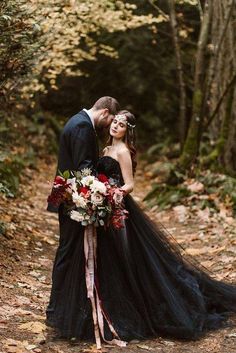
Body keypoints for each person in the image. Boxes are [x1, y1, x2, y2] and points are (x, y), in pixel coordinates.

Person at [47, 109, 236, 347]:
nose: (115, 126)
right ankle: (99, 311)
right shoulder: (105, 149)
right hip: (103, 208)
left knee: (129, 259)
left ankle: (135, 310)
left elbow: (130, 184)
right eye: (114, 122)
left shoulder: (123, 152)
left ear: (128, 131)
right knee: (104, 261)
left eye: (121, 124)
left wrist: (112, 192)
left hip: (116, 208)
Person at [46, 96, 120, 327]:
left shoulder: (78, 121)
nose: (107, 128)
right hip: (73, 200)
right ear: (105, 113)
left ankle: (68, 309)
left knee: (73, 252)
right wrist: (100, 191)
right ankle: (56, 310)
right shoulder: (82, 126)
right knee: (68, 252)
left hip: (71, 198)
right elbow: (83, 169)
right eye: (109, 123)